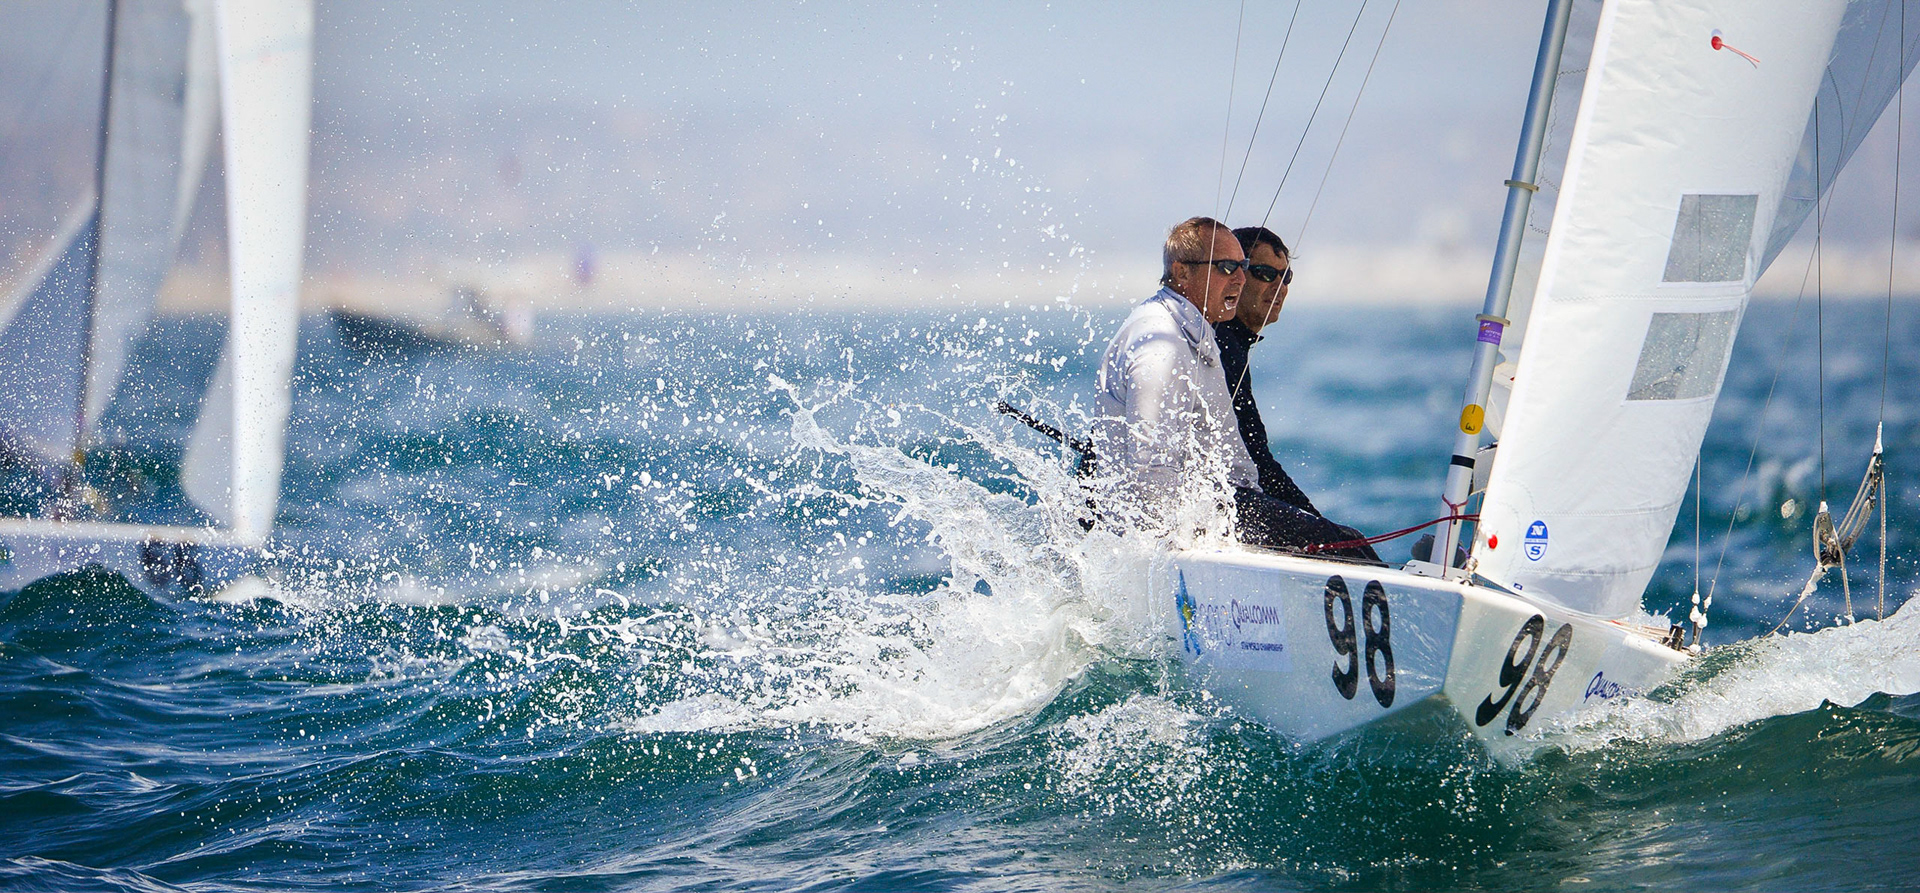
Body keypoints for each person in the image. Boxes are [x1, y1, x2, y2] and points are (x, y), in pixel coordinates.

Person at [1093, 217, 1376, 561]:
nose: (1240, 280)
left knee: (1343, 541)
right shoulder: (1163, 345)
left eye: (1243, 268)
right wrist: (1170, 559)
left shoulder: (1199, 334)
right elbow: (1152, 468)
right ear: (1182, 273)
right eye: (1229, 268)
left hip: (1219, 503)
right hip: (1192, 519)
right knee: (1347, 548)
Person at [1215, 226, 1316, 512]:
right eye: (1266, 274)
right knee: (1347, 542)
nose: (1279, 288)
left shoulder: (1229, 341)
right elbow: (1256, 457)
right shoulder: (1219, 345)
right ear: (1235, 277)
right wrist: (1321, 525)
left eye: (1286, 278)